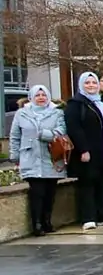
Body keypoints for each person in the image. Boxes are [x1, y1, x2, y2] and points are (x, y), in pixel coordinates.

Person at [10, 85, 67, 235]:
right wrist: (15, 156)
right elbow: (15, 136)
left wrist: (44, 134)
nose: (41, 97)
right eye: (37, 95)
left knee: (50, 192)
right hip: (31, 157)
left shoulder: (57, 113)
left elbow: (61, 131)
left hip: (51, 158)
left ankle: (47, 221)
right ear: (31, 97)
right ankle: (37, 224)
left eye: (43, 95)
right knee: (37, 191)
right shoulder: (22, 114)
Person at [65, 72, 103, 230]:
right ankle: (88, 217)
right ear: (81, 85)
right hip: (87, 152)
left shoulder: (102, 103)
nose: (91, 86)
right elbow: (74, 128)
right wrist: (83, 149)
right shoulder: (76, 104)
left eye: (94, 83)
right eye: (87, 83)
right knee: (87, 184)